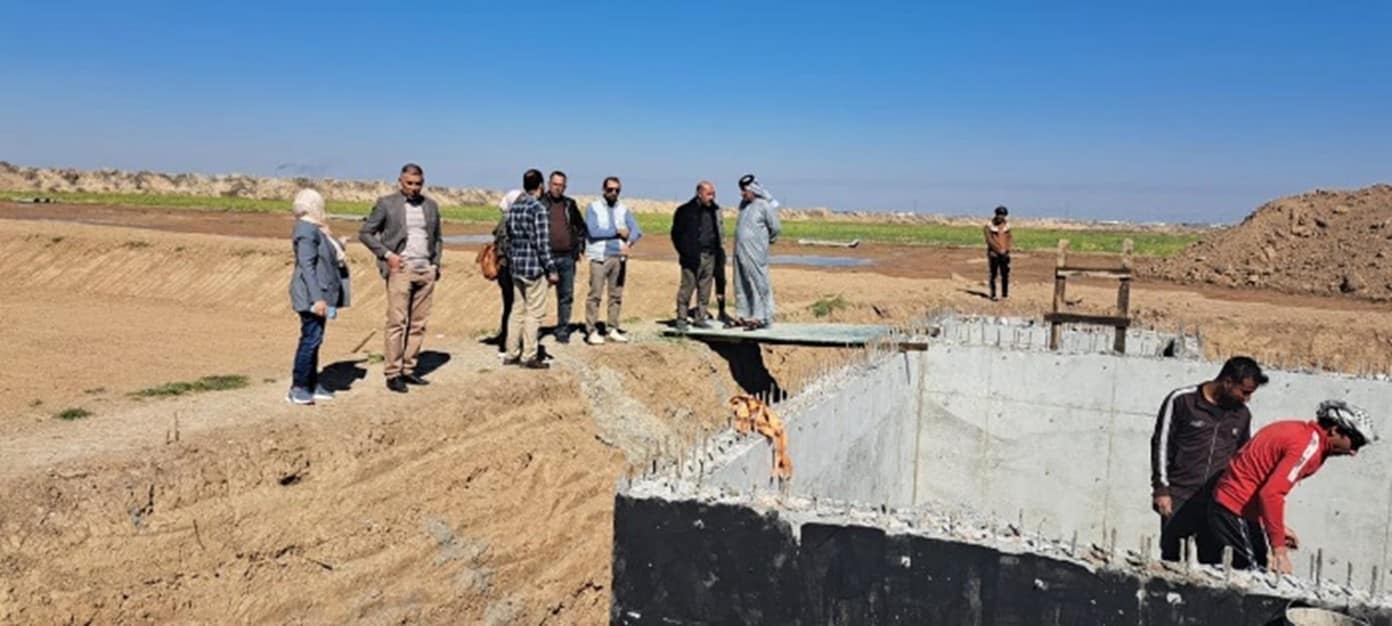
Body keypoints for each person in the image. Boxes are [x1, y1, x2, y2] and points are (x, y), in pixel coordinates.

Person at [1206, 400, 1378, 573]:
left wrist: (1277, 528)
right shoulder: (1308, 446)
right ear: (1335, 430)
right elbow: (1271, 494)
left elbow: (1259, 479)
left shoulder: (1301, 432)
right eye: (1355, 443)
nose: (1353, 452)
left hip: (1234, 507)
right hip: (1234, 508)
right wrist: (1279, 551)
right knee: (1253, 577)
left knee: (1249, 573)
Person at [1150, 356, 1268, 562]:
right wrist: (1161, 489)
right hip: (1179, 496)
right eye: (1245, 392)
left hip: (1217, 502)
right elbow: (1161, 444)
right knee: (1173, 559)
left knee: (1213, 562)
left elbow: (1242, 460)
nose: (1246, 399)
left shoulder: (1241, 415)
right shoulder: (1182, 400)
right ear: (1227, 382)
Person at [358, 163, 442, 393]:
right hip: (400, 269)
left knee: (418, 324)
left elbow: (437, 238)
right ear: (400, 181)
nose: (414, 188)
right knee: (397, 322)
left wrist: (435, 264)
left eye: (418, 184)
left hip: (425, 269)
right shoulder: (387, 204)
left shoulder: (431, 206)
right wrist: (387, 256)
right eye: (409, 183)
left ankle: (409, 368)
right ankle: (393, 372)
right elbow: (365, 233)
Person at [287, 189, 350, 405]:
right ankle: (299, 387)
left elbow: (326, 257)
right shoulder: (306, 230)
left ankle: (311, 384)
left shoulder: (315, 229)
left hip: (320, 292)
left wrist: (337, 242)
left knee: (315, 339)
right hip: (311, 295)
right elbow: (307, 266)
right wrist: (317, 299)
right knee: (310, 339)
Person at [505, 169, 559, 369]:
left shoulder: (515, 207)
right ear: (541, 185)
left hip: (516, 267)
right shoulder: (537, 208)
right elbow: (542, 243)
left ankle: (511, 353)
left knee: (517, 311)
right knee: (534, 314)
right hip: (534, 268)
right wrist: (551, 269)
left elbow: (509, 238)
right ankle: (529, 355)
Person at [584, 176, 642, 345]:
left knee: (616, 295)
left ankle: (613, 328)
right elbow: (593, 232)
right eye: (610, 189)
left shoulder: (623, 209)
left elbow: (636, 230)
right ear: (603, 190)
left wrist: (629, 243)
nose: (613, 192)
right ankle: (591, 330)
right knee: (595, 295)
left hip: (619, 257)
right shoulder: (593, 207)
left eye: (617, 190)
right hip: (599, 257)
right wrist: (617, 231)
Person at [671, 180, 724, 332]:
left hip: (710, 255)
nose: (711, 197)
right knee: (687, 288)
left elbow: (719, 232)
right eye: (708, 194)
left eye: (713, 194)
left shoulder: (715, 210)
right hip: (692, 257)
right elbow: (676, 235)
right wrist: (685, 252)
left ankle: (700, 318)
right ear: (699, 193)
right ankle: (681, 318)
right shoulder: (685, 210)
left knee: (705, 289)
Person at [540, 171, 586, 343]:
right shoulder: (541, 203)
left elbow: (580, 227)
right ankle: (535, 330)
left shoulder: (569, 204)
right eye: (555, 184)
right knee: (538, 295)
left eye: (561, 185)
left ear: (565, 186)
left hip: (567, 257)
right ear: (549, 184)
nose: (558, 188)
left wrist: (579, 246)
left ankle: (562, 329)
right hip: (545, 257)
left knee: (566, 295)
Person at [732, 174, 781, 330]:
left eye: (744, 191)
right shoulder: (743, 205)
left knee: (758, 282)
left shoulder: (764, 205)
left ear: (753, 190)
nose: (742, 194)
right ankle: (743, 315)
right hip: (740, 250)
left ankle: (761, 317)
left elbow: (775, 228)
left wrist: (765, 242)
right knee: (740, 281)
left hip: (756, 251)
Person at [488, 189, 522, 354]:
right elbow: (506, 248)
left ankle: (508, 340)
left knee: (510, 305)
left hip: (507, 268)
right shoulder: (508, 222)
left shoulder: (507, 220)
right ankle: (506, 342)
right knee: (512, 306)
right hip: (508, 269)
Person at [984, 205, 1012, 301]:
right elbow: (989, 240)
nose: (1001, 217)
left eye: (1003, 215)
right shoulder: (989, 226)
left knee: (1005, 274)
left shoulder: (1007, 227)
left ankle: (1005, 295)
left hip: (1005, 254)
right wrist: (998, 250)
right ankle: (993, 294)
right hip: (994, 254)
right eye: (1000, 215)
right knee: (994, 274)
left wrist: (1007, 249)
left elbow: (1009, 239)